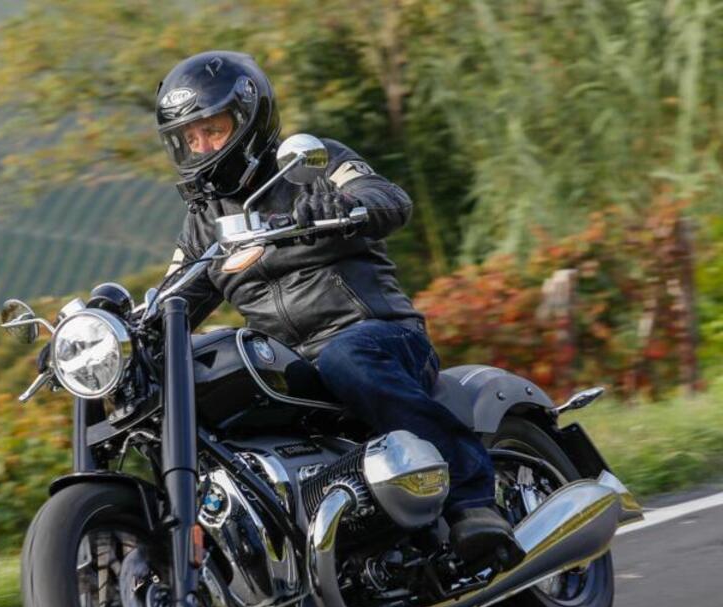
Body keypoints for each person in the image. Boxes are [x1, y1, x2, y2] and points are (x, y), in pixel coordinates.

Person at [156, 51, 519, 566]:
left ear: (249, 120)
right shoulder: (202, 225)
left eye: (212, 130)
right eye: (190, 139)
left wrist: (347, 205)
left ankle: (472, 499)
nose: (203, 147)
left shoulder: (313, 164)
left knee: (345, 358)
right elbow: (171, 298)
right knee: (192, 385)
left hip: (376, 335)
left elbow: (387, 197)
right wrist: (110, 337)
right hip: (293, 367)